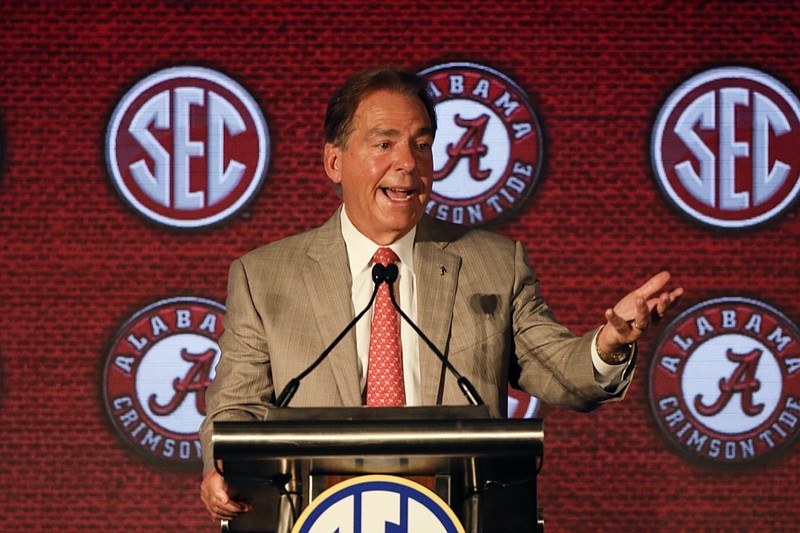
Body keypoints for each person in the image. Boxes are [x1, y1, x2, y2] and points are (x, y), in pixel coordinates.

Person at [198, 66, 683, 521]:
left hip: (458, 512)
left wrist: (608, 344)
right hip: (315, 514)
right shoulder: (265, 277)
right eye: (384, 143)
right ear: (334, 162)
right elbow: (234, 408)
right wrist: (218, 466)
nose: (407, 162)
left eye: (421, 144)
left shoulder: (493, 265)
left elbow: (561, 372)